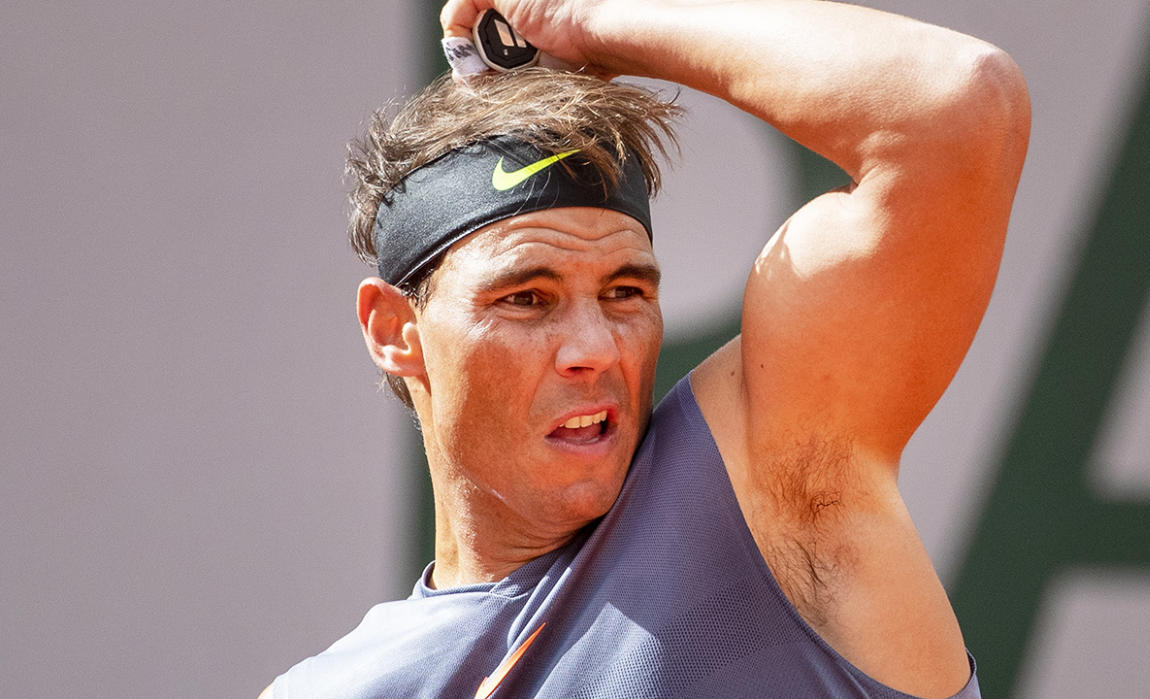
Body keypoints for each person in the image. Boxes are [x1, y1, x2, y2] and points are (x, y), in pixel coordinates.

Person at [263, 0, 1029, 696]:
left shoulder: (774, 486)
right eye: (526, 299)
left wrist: (584, 17)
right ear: (396, 331)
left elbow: (957, 107)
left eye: (626, 293)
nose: (594, 349)